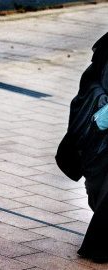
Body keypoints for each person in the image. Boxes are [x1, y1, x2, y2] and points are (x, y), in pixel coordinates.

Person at [56, 32, 108, 263]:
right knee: (100, 190)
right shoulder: (107, 50)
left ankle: (100, 245)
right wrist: (101, 103)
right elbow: (90, 84)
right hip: (101, 137)